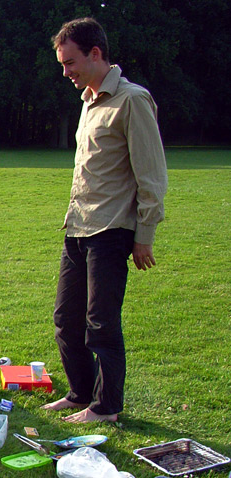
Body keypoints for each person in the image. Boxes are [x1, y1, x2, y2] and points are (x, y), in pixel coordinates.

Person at [42, 18, 167, 424]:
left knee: (101, 323)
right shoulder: (89, 101)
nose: (66, 72)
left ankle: (107, 406)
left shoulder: (132, 100)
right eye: (62, 64)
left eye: (71, 62)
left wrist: (143, 235)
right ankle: (80, 393)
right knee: (66, 319)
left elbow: (151, 175)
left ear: (96, 54)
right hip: (77, 227)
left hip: (112, 230)